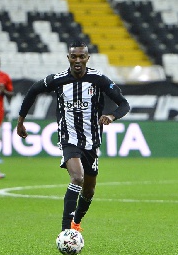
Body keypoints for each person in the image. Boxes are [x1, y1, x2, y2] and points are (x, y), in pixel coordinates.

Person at [17, 41, 130, 231]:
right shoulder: (58, 80)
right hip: (69, 138)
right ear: (68, 58)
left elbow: (124, 104)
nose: (78, 60)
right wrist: (21, 121)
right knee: (77, 177)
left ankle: (76, 222)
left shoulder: (99, 79)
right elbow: (33, 90)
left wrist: (112, 115)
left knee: (89, 190)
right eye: (74, 56)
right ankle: (65, 231)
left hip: (92, 142)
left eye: (81, 56)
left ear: (87, 58)